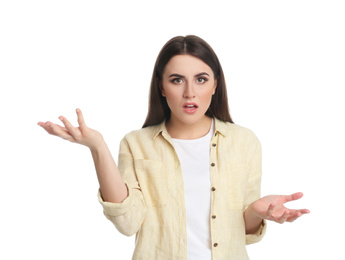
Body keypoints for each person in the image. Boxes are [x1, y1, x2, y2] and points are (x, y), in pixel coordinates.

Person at [37, 35, 309, 259]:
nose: (189, 92)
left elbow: (245, 233)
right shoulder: (136, 144)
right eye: (177, 80)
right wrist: (97, 147)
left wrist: (257, 211)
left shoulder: (245, 142)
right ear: (162, 87)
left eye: (201, 79)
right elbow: (127, 223)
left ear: (215, 84)